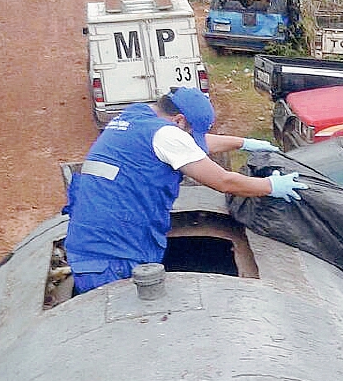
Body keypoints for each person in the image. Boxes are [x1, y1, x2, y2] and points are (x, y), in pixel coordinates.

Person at [64, 88, 309, 294]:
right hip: (114, 254)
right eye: (192, 132)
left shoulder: (136, 116)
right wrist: (270, 186)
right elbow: (224, 181)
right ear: (179, 120)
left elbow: (189, 145)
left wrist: (242, 143)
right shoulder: (166, 134)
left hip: (94, 241)